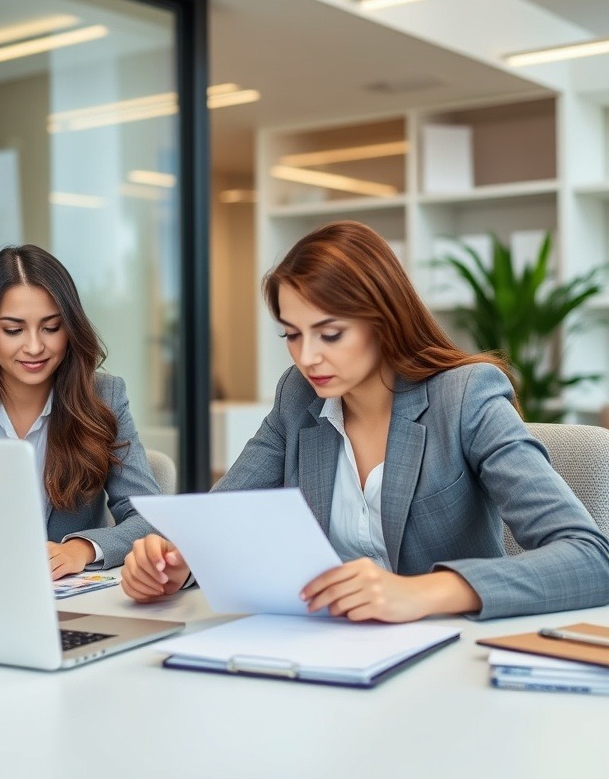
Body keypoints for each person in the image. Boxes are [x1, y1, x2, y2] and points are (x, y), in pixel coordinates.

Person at [121, 220, 609, 621]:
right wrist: (178, 562)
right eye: (292, 334)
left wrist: (424, 593)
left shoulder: (465, 395)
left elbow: (592, 558)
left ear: (383, 319)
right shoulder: (298, 398)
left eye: (330, 334)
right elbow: (223, 520)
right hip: (328, 648)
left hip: (451, 654)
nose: (307, 357)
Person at [0, 244, 159, 579]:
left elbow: (149, 519)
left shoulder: (104, 398)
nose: (34, 347)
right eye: (13, 330)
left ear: (70, 328)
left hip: (65, 602)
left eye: (51, 327)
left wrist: (79, 550)